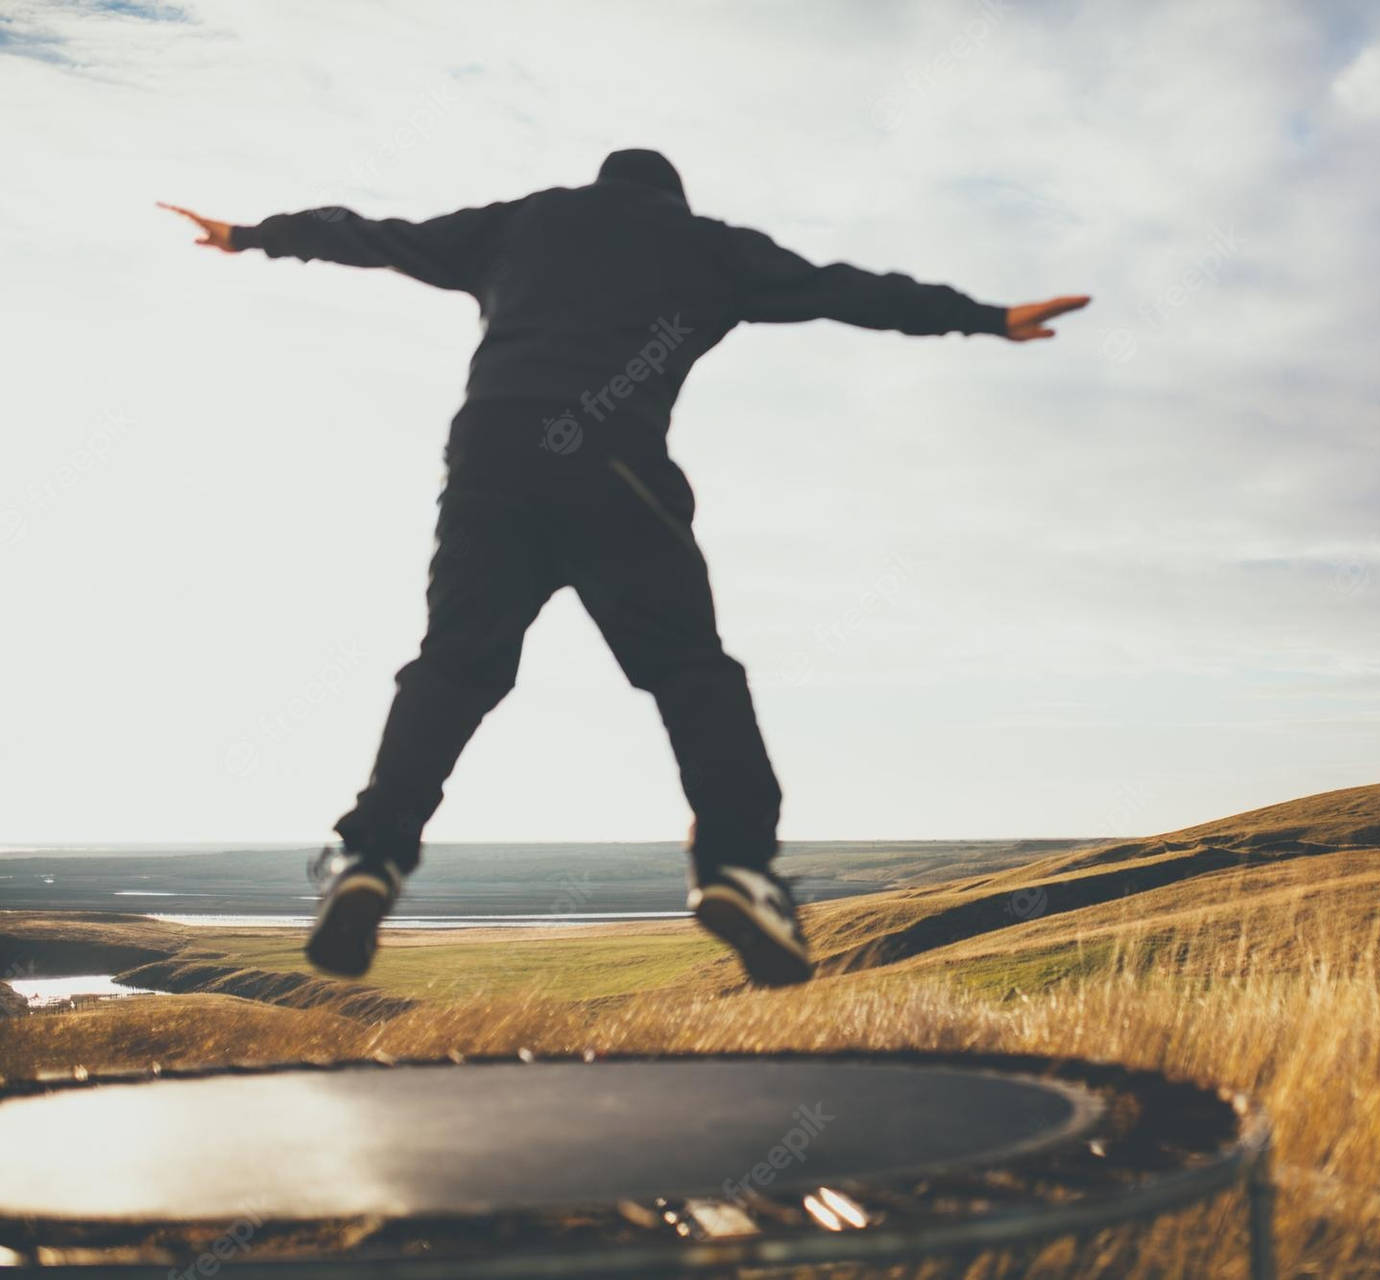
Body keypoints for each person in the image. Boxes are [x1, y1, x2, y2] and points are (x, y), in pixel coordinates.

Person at [160, 149, 1090, 988]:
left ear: (600, 184)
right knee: (692, 673)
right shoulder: (706, 246)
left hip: (493, 457)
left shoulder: (522, 221)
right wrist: (986, 319)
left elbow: (372, 236)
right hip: (615, 464)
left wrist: (251, 236)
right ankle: (735, 869)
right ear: (672, 196)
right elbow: (844, 289)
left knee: (454, 666)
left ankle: (371, 858)